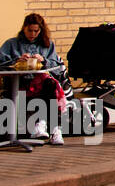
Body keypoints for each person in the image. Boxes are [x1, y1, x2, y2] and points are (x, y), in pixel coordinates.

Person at [0, 13, 67, 144]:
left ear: (41, 30)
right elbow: (1, 62)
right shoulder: (11, 44)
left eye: (36, 31)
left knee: (51, 86)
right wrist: (16, 60)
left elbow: (58, 67)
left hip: (41, 84)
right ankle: (41, 124)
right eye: (29, 30)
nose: (32, 34)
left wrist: (44, 60)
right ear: (24, 28)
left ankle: (54, 129)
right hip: (19, 83)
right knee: (49, 88)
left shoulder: (47, 45)